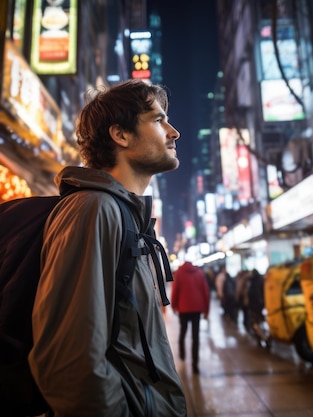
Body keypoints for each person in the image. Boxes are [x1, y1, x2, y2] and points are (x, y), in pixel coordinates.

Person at [29, 80, 186, 416]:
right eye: (158, 121)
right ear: (121, 135)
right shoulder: (95, 210)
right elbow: (69, 359)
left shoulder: (122, 214)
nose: (173, 132)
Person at [170, 261, 210, 374]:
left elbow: (175, 290)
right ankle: (195, 364)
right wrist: (207, 310)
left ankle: (182, 354)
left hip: (184, 308)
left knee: (183, 332)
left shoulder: (179, 273)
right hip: (197, 308)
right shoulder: (199, 273)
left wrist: (174, 305)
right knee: (195, 337)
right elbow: (205, 292)